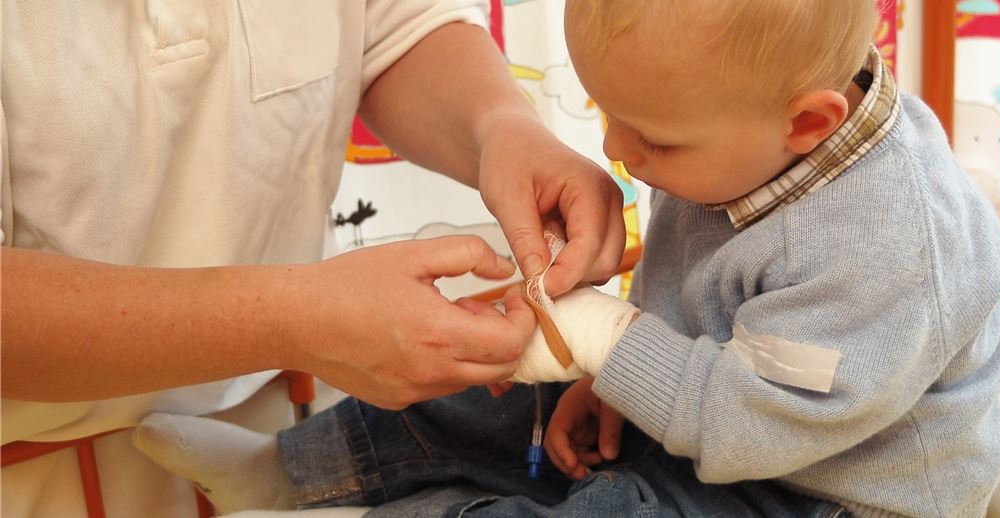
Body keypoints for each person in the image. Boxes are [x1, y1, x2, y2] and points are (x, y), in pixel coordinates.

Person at [131, 0, 1000, 516]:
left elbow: (758, 421)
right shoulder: (739, 134)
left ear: (809, 123)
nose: (616, 150)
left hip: (813, 483)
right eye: (604, 111)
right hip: (722, 406)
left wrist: (603, 339)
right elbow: (691, 314)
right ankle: (289, 472)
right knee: (488, 384)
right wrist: (605, 376)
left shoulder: (892, 248)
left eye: (652, 140)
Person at [0, 0, 623, 516]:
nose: (617, 149)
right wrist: (293, 319)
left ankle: (287, 471)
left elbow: (395, 26)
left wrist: (502, 126)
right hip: (37, 469)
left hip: (292, 413)